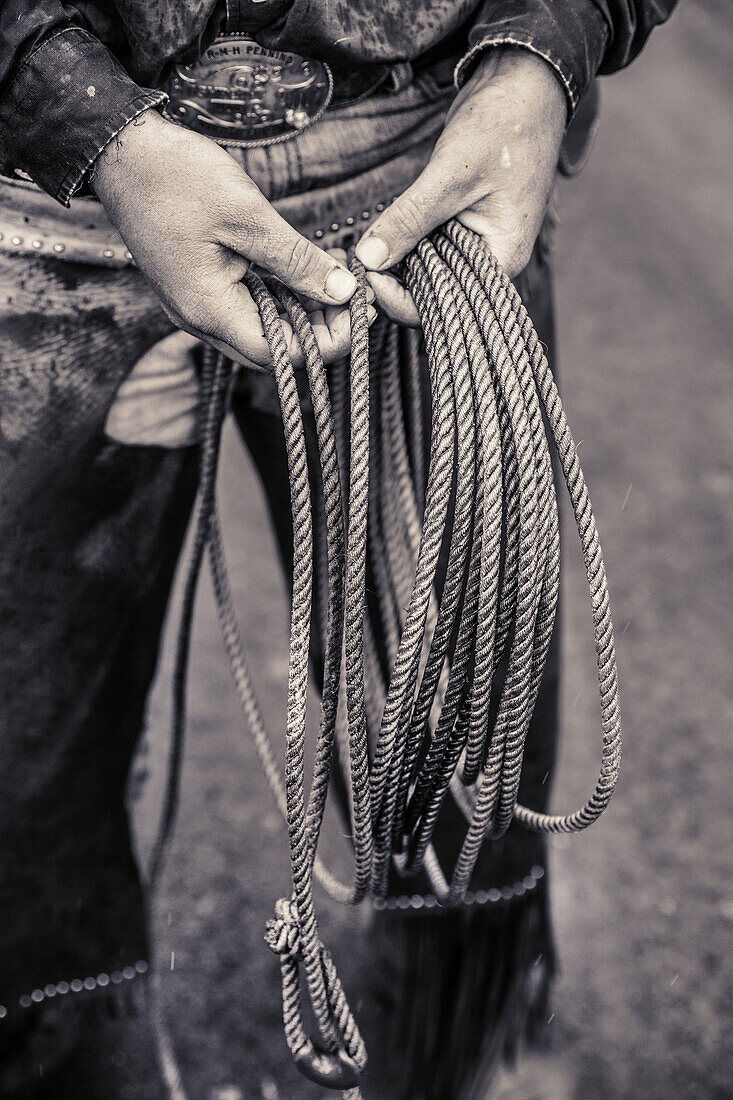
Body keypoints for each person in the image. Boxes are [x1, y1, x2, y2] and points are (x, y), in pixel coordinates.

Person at [0, 1, 675, 1096]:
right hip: (29, 211)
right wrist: (63, 104)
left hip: (420, 175)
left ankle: (457, 1049)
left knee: (463, 734)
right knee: (15, 768)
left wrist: (542, 55)